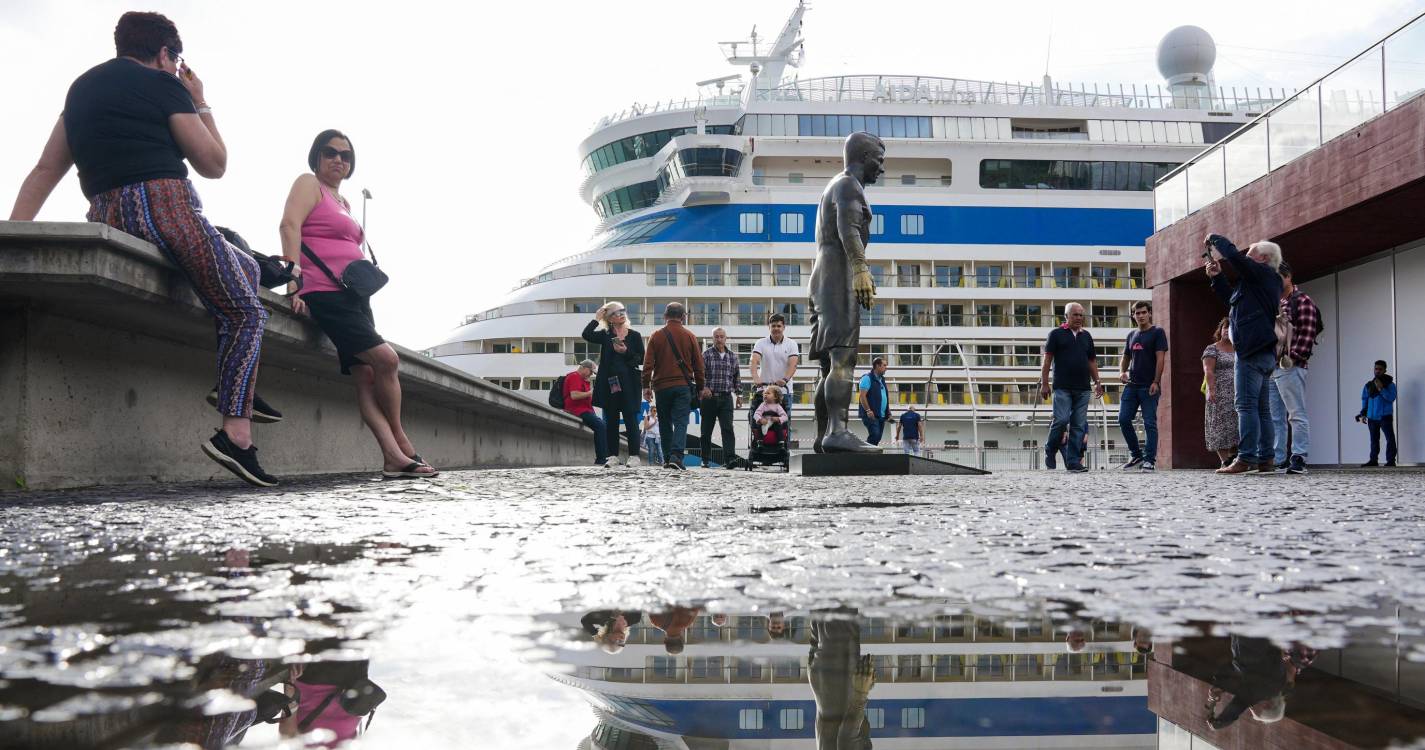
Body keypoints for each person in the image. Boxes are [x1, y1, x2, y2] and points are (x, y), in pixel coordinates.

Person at [9, 12, 281, 486]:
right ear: (164, 53)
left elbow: (45, 170)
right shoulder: (163, 84)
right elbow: (214, 163)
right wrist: (200, 101)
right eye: (175, 59)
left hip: (106, 211)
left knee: (247, 268)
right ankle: (235, 437)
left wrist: (13, 238)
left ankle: (235, 384)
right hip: (164, 206)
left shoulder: (81, 89)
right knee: (247, 313)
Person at [282, 129, 436, 479]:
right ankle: (401, 441)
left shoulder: (343, 201)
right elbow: (289, 226)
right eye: (330, 152)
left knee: (366, 375)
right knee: (387, 360)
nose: (338, 159)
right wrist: (294, 282)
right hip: (324, 292)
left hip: (353, 295)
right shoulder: (309, 184)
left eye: (346, 155)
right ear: (316, 157)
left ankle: (392, 457)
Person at [810, 132, 885, 454]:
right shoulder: (848, 186)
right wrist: (860, 268)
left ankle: (823, 436)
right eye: (879, 160)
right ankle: (837, 432)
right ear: (864, 157)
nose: (881, 168)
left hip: (822, 278)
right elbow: (848, 228)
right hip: (838, 278)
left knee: (829, 366)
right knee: (843, 358)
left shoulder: (834, 185)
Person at [1205, 234, 1285, 475]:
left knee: (1246, 405)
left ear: (1264, 258)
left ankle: (1246, 457)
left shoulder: (1264, 274)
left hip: (1251, 350)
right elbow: (1232, 302)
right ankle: (1266, 459)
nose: (1246, 257)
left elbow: (1234, 256)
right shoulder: (1258, 282)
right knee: (1261, 408)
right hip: (1262, 350)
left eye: (1250, 254)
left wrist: (1215, 239)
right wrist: (1217, 277)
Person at [1268, 261, 1324, 475]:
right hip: (1272, 367)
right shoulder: (1276, 302)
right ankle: (1279, 459)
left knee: (1296, 414)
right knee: (1275, 418)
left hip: (1290, 365)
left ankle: (1299, 458)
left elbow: (1308, 333)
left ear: (1288, 276)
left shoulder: (1302, 300)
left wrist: (1291, 358)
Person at [1039, 303, 1104, 473]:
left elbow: (1092, 361)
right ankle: (1050, 448)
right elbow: (1047, 360)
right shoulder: (1056, 334)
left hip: (1083, 388)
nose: (1079, 318)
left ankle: (1073, 461)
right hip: (1062, 387)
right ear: (1066, 316)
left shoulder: (1086, 336)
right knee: (1061, 420)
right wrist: (1045, 383)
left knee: (1078, 425)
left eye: (1081, 315)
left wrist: (1097, 381)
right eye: (1075, 314)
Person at [642, 302, 705, 470]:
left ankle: (667, 458)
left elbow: (648, 364)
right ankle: (676, 456)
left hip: (661, 387)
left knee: (664, 423)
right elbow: (699, 366)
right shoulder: (690, 336)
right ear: (683, 317)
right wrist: (700, 387)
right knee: (681, 422)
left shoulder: (656, 336)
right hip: (683, 386)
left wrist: (646, 386)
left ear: (665, 316)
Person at [583, 301, 645, 467]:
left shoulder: (634, 335)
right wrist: (596, 319)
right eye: (616, 313)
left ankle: (634, 456)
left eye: (622, 311)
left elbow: (641, 358)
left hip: (629, 382)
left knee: (631, 418)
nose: (621, 314)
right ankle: (612, 456)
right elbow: (586, 335)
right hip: (610, 382)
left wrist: (626, 352)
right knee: (611, 419)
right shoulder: (605, 335)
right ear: (610, 319)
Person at [1117, 300, 1168, 471]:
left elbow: (1160, 358)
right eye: (1137, 313)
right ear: (1133, 316)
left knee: (1149, 423)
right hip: (1131, 385)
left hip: (1149, 386)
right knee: (1123, 419)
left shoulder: (1158, 332)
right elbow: (1126, 357)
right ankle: (1137, 455)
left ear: (1150, 313)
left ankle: (1149, 460)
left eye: (1143, 312)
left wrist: (1156, 381)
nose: (1140, 316)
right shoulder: (1131, 335)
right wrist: (1122, 372)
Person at [700, 327, 742, 468]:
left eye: (721, 336)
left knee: (728, 429)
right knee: (706, 431)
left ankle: (730, 459)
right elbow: (699, 374)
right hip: (709, 398)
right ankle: (705, 459)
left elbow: (736, 377)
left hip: (726, 398)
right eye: (716, 336)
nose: (719, 339)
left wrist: (739, 394)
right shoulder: (706, 355)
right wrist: (704, 387)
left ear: (726, 338)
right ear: (713, 338)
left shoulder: (732, 356)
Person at [1202, 318, 1240, 468]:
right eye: (1225, 327)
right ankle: (1225, 461)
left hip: (1237, 393)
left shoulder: (1239, 348)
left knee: (1236, 427)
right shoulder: (1212, 348)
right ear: (1220, 330)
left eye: (1230, 328)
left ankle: (1234, 457)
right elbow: (1208, 370)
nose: (1227, 330)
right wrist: (1211, 390)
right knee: (1219, 426)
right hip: (1219, 393)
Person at [750, 313, 801, 420]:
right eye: (773, 326)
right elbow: (754, 361)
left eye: (779, 326)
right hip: (764, 391)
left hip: (783, 392)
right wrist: (756, 378)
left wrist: (785, 379)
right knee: (757, 420)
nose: (776, 328)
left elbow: (793, 364)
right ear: (769, 327)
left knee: (784, 422)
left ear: (783, 327)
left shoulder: (791, 344)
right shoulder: (761, 343)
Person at [563, 360, 608, 466]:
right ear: (584, 368)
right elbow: (574, 395)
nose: (591, 374)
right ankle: (601, 459)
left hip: (585, 409)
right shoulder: (574, 376)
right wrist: (590, 393)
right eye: (590, 371)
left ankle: (606, 457)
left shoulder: (583, 379)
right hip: (577, 409)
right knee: (601, 426)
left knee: (603, 425)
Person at [1357, 359, 1398, 467]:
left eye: (1380, 369)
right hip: (1372, 417)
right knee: (1374, 440)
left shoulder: (1390, 385)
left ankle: (1391, 461)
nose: (1377, 371)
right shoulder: (1369, 385)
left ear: (1385, 370)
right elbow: (1365, 399)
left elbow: (1391, 398)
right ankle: (1373, 460)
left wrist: (1381, 389)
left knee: (1390, 439)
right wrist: (1363, 414)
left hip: (1385, 416)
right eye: (1376, 369)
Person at [857, 357, 891, 445]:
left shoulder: (882, 379)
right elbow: (862, 396)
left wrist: (888, 413)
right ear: (877, 366)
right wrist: (868, 410)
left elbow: (884, 397)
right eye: (884, 365)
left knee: (877, 437)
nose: (886, 368)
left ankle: (869, 451)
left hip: (881, 415)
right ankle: (864, 451)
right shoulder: (867, 378)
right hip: (871, 414)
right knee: (875, 435)